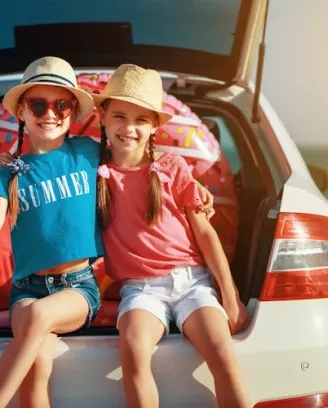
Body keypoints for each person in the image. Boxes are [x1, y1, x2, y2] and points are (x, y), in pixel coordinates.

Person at [94, 64, 250, 408]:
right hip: (140, 289)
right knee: (133, 352)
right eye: (119, 115)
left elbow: (205, 234)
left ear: (153, 127)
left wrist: (230, 294)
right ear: (102, 116)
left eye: (141, 120)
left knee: (223, 354)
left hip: (193, 283)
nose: (129, 128)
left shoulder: (171, 167)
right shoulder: (94, 173)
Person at [0, 56, 104, 408]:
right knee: (36, 369)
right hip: (27, 290)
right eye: (38, 105)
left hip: (78, 286)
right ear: (22, 113)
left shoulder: (88, 152)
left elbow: (136, 159)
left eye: (61, 105)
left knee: (39, 318)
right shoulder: (8, 173)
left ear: (73, 112)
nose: (50, 114)